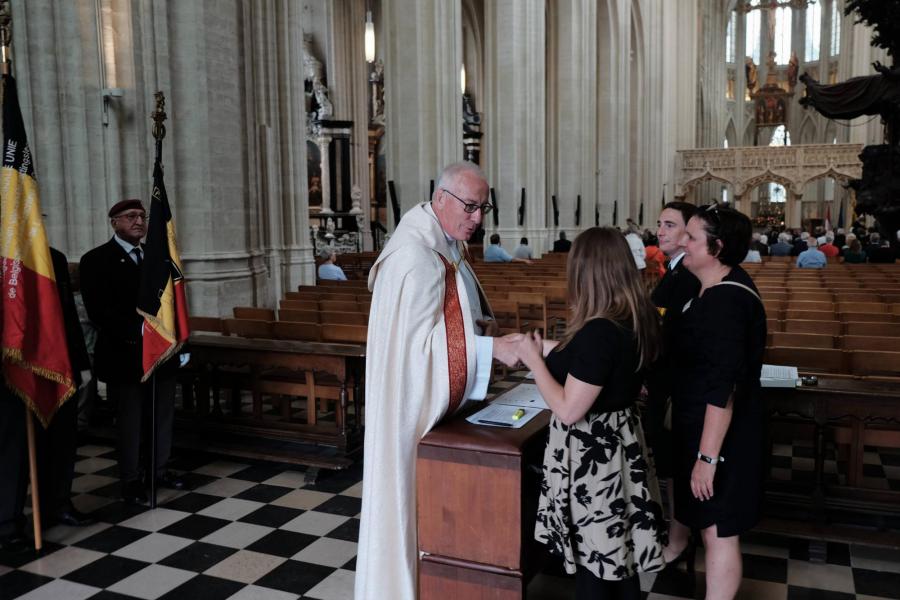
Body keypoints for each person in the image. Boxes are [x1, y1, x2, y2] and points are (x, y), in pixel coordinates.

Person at [355, 162, 521, 600]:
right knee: (406, 507)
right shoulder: (414, 258)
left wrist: (480, 328)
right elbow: (415, 361)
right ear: (441, 199)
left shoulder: (443, 246)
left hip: (437, 411)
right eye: (470, 206)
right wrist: (491, 350)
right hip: (410, 419)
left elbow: (443, 326)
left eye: (484, 207)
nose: (479, 218)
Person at [517, 227, 665, 599]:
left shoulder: (599, 331)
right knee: (617, 556)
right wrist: (536, 347)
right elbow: (582, 361)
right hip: (619, 444)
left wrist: (535, 363)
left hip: (594, 462)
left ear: (586, 272)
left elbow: (568, 409)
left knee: (595, 563)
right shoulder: (633, 316)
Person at [666, 204, 767, 600]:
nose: (681, 242)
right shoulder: (706, 289)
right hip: (702, 428)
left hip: (724, 437)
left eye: (691, 237)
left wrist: (707, 459)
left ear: (718, 246)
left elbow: (721, 387)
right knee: (709, 526)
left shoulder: (728, 301)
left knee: (718, 530)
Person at [80, 199, 184, 505]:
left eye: (142, 216)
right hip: (125, 354)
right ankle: (131, 479)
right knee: (130, 419)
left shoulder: (158, 258)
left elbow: (173, 301)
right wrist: (140, 332)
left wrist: (171, 337)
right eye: (130, 216)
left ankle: (159, 469)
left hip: (161, 352)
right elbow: (99, 311)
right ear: (114, 222)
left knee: (162, 414)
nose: (138, 221)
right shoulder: (96, 260)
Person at [648, 202, 700, 535]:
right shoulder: (676, 271)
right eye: (660, 223)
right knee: (668, 460)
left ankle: (678, 533)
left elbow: (671, 333)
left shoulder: (687, 277)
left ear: (688, 234)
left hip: (674, 386)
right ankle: (674, 527)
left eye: (669, 224)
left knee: (675, 461)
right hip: (663, 380)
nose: (660, 230)